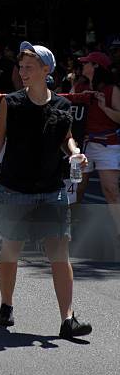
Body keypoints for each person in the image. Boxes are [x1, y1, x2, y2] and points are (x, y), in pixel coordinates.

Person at [0, 41, 92, 339]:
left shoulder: (63, 105)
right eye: (21, 67)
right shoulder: (11, 103)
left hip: (51, 188)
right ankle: (6, 304)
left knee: (59, 252)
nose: (22, 72)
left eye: (29, 67)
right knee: (11, 248)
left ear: (46, 70)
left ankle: (68, 318)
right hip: (14, 188)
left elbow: (66, 137)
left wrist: (75, 152)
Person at [74, 52, 120, 246]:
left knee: (110, 189)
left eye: (86, 63)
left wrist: (103, 106)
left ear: (96, 66)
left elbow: (119, 118)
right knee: (78, 188)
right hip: (82, 145)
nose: (83, 66)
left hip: (107, 144)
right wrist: (78, 99)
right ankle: (69, 229)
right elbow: (68, 112)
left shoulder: (112, 90)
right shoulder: (79, 87)